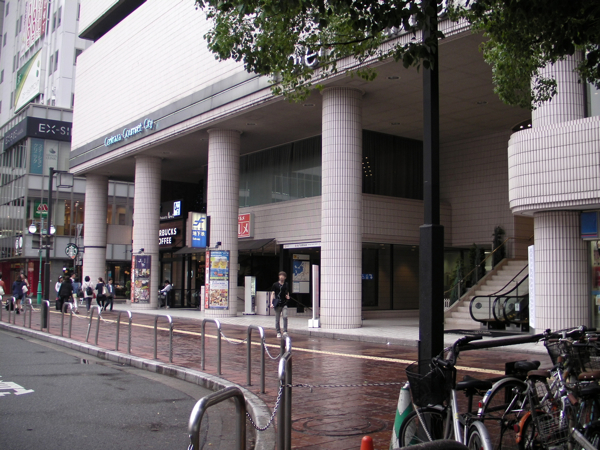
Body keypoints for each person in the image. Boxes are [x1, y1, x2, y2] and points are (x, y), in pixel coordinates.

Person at [270, 271, 290, 338]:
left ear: (285, 277)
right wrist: (271, 303)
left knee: (285, 316)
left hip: (284, 303)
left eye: (283, 276)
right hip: (277, 303)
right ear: (279, 277)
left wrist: (287, 296)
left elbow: (287, 292)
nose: (281, 277)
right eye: (280, 275)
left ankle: (285, 331)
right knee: (277, 319)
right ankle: (278, 332)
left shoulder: (286, 284)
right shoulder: (275, 285)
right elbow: (272, 294)